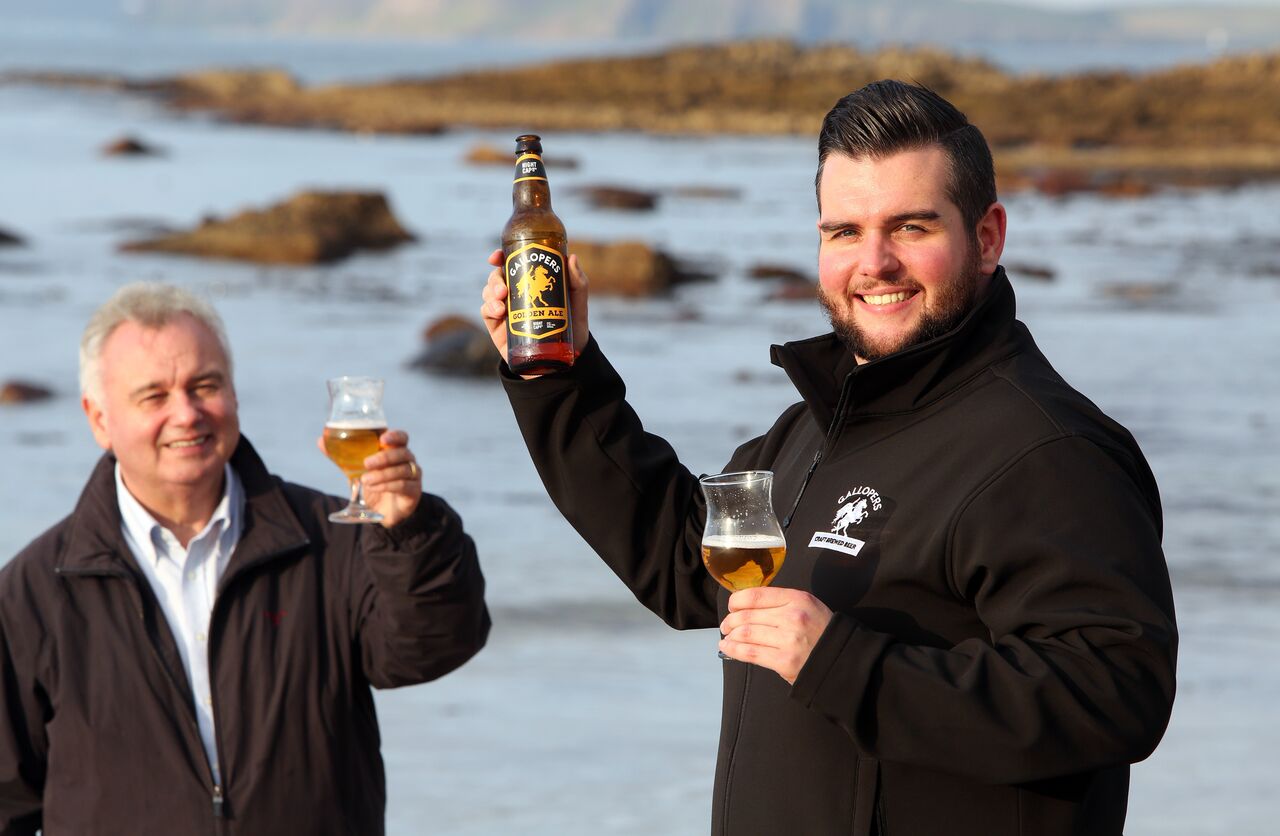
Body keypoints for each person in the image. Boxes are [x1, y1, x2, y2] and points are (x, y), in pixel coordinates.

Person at [480, 80, 1177, 836]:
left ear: (987, 237)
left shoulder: (1049, 450)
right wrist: (558, 374)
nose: (873, 262)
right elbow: (684, 561)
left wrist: (850, 665)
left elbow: (1115, 693)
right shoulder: (814, 430)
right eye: (843, 231)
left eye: (910, 227)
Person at [0, 282, 490, 834]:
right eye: (154, 396)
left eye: (204, 386)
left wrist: (409, 530)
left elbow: (430, 649)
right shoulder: (32, 593)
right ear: (99, 419)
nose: (186, 414)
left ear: (234, 395)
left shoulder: (334, 541)